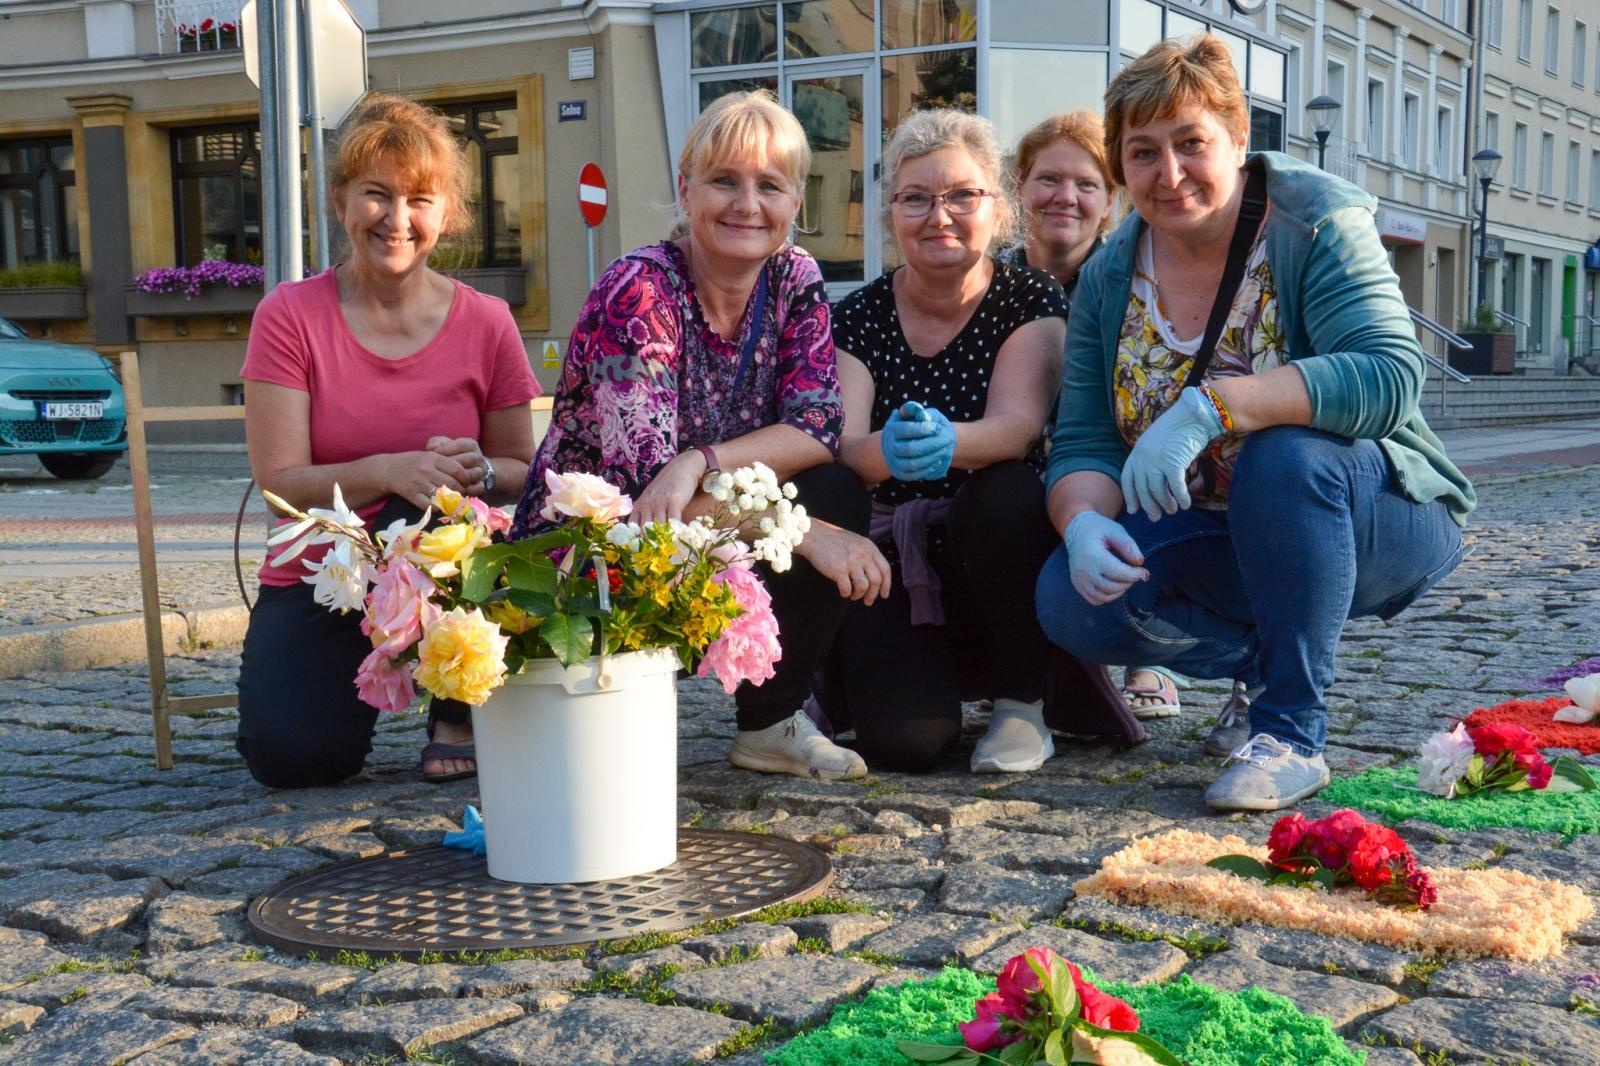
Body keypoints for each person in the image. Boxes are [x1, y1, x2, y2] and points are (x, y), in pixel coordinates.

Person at [1036, 35, 1473, 811]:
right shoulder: (1109, 275)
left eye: (1191, 143)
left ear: (1240, 140)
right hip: (1218, 534)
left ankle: (1292, 731)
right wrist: (1078, 523)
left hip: (1373, 513)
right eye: (1142, 153)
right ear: (1121, 167)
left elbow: (1389, 374)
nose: (1168, 175)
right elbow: (1082, 440)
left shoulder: (1316, 223)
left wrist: (1212, 406)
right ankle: (1271, 650)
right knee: (1069, 600)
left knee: (1284, 457)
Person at [510, 90, 879, 782]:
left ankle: (770, 724)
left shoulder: (795, 278)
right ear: (685, 189)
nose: (747, 205)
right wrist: (804, 532)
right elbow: (641, 504)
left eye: (769, 185)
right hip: (588, 554)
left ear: (795, 202)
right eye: (723, 181)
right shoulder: (639, 292)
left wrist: (700, 459)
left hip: (703, 526)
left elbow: (818, 426)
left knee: (834, 486)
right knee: (820, 515)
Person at [238, 95, 539, 788]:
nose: (398, 220)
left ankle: (453, 709)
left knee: (430, 516)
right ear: (341, 200)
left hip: (450, 572)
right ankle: (358, 690)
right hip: (325, 576)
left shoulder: (487, 322)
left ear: (447, 213)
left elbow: (522, 468)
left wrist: (479, 471)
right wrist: (389, 469)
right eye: (377, 194)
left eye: (420, 199)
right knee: (295, 759)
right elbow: (280, 480)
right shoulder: (289, 315)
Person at [819, 108, 1071, 774]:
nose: (940, 216)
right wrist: (887, 452)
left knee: (1007, 491)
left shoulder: (1028, 296)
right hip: (894, 558)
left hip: (995, 551)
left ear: (999, 208)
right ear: (890, 215)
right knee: (906, 746)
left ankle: (1022, 706)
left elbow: (1017, 427)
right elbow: (844, 446)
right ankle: (847, 679)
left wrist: (946, 441)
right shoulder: (860, 314)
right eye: (916, 199)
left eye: (962, 195)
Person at [1004, 111, 1182, 722]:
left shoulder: (1132, 281)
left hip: (1108, 469)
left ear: (1110, 202)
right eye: (1047, 179)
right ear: (1019, 188)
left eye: (1087, 184)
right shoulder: (988, 276)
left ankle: (1144, 654)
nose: (1066, 197)